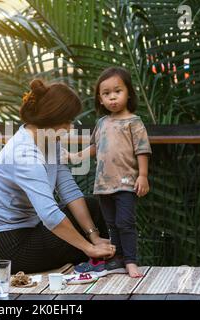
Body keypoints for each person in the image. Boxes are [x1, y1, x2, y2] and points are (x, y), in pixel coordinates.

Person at [0, 79, 116, 274]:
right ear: (51, 119)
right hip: (1, 246)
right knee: (72, 237)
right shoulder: (23, 153)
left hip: (29, 229)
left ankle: (97, 260)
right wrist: (89, 247)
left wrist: (94, 236)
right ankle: (95, 261)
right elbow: (49, 215)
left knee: (91, 206)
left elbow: (69, 190)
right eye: (67, 121)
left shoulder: (50, 142)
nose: (70, 128)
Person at [64, 67, 152, 278]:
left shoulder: (134, 123)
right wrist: (75, 157)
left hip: (126, 183)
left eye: (117, 91)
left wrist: (143, 175)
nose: (112, 97)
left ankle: (131, 261)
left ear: (128, 93)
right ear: (100, 99)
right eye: (106, 93)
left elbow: (142, 150)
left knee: (125, 222)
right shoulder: (102, 123)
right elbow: (96, 147)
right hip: (103, 184)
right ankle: (117, 258)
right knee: (111, 224)